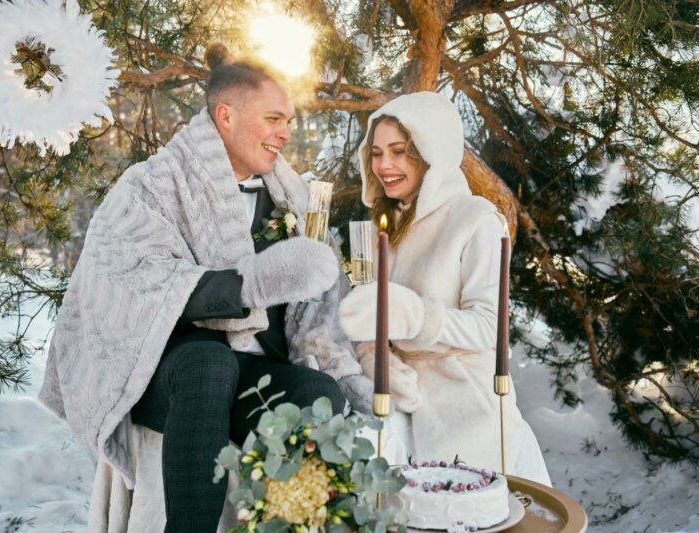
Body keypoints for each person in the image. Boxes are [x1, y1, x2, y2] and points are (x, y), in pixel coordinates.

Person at [39, 45, 373, 532]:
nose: (286, 133)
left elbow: (312, 309)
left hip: (249, 368)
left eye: (290, 121)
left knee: (315, 392)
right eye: (274, 118)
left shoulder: (293, 200)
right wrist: (255, 282)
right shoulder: (150, 184)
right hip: (161, 373)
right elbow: (132, 282)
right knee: (206, 360)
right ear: (226, 115)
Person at [339, 91, 550, 485]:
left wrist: (416, 316)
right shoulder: (381, 226)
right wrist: (372, 354)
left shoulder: (476, 219)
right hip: (400, 404)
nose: (384, 165)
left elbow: (488, 327)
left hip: (465, 408)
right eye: (376, 152)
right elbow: (369, 314)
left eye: (399, 151)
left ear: (431, 150)